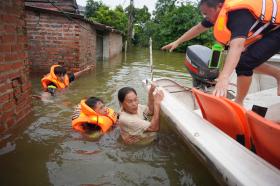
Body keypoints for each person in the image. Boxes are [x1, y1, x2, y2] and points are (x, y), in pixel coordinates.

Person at [162, 0, 280, 105]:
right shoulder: (217, 14)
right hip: (271, 30)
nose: (205, 17)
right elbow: (198, 28)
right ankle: (278, 74)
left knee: (244, 63)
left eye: (206, 13)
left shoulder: (238, 14)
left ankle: (239, 103)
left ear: (219, 6)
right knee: (243, 60)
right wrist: (177, 42)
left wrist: (224, 77)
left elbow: (237, 46)